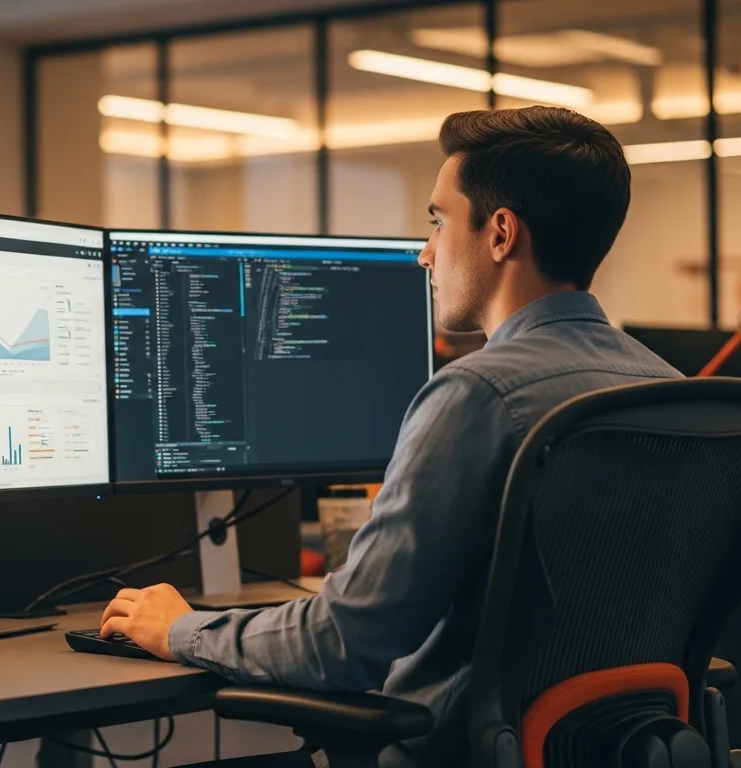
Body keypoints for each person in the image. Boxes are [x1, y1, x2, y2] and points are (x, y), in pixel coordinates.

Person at [98, 106, 683, 766]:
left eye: (437, 220)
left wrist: (182, 629)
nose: (425, 252)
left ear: (499, 235)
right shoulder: (675, 392)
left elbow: (341, 644)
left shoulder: (478, 394)